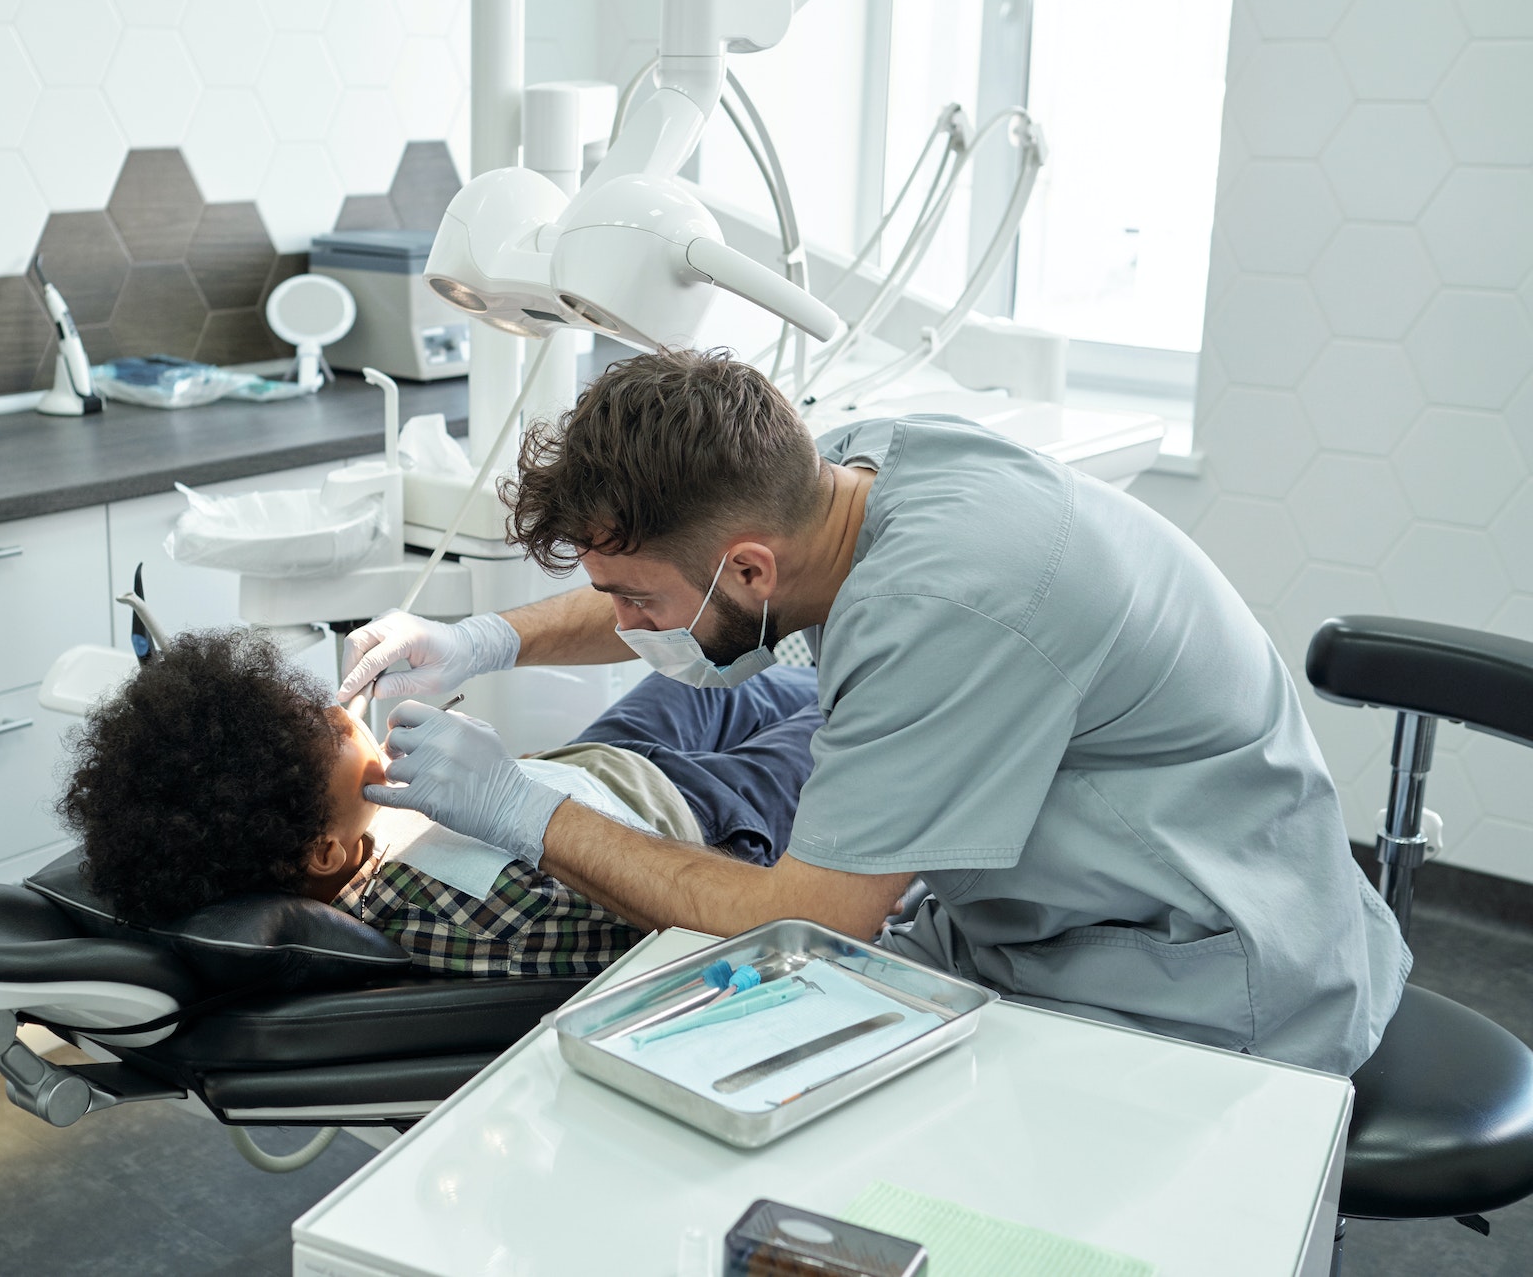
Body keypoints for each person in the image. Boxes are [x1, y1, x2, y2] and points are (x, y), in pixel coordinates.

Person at [339, 347, 1410, 1074]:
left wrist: (523, 808)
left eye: (633, 605)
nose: (622, 621)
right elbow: (664, 578)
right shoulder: (845, 474)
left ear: (750, 570)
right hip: (1040, 917)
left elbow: (804, 917)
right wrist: (486, 638)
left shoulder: (942, 606)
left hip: (1201, 971)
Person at [57, 626, 823, 977]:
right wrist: (512, 802)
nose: (336, 708)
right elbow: (671, 913)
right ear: (322, 848)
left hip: (597, 759)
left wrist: (481, 641)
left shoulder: (340, 849)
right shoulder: (468, 913)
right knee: (834, 712)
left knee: (712, 671)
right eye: (324, 730)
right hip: (692, 815)